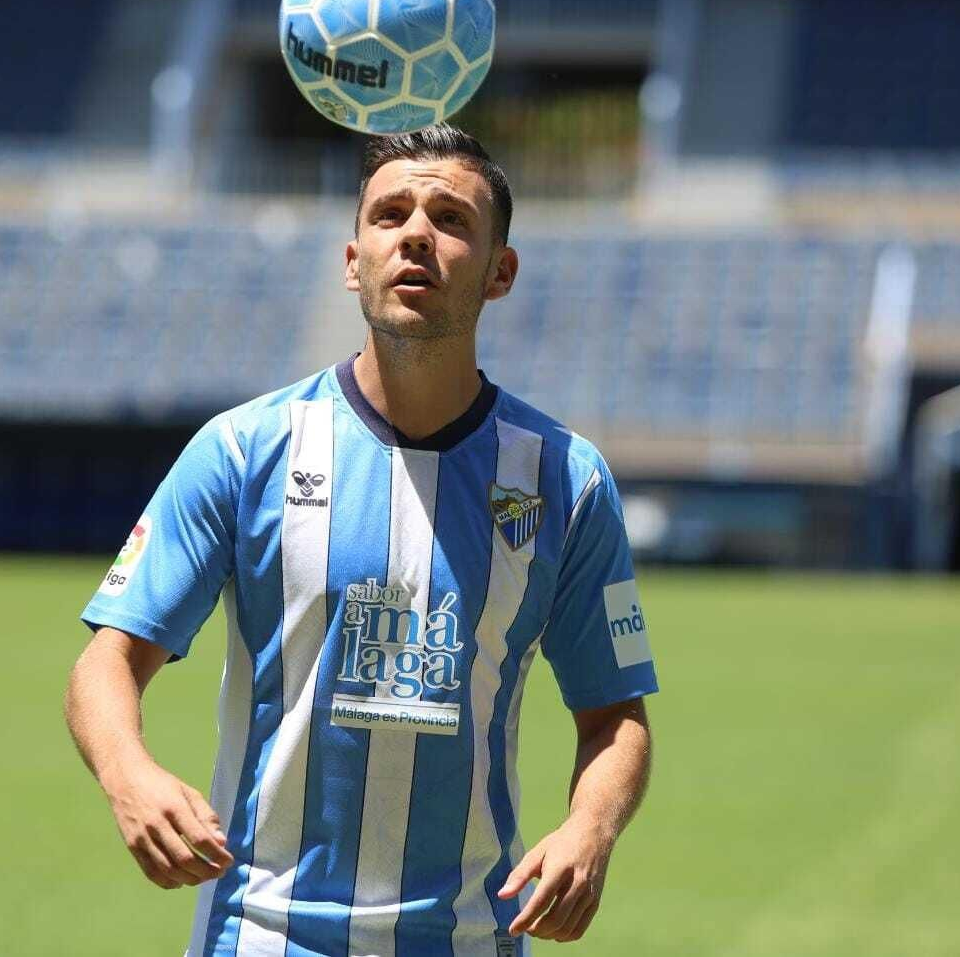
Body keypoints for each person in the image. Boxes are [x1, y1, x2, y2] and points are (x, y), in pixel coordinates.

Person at [64, 124, 658, 955]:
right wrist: (129, 777)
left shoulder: (565, 478)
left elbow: (615, 714)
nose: (416, 233)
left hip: (470, 937)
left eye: (451, 218)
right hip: (263, 932)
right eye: (390, 215)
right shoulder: (244, 450)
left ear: (501, 273)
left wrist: (590, 831)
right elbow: (107, 661)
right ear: (353, 261)